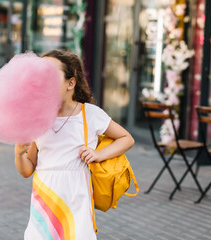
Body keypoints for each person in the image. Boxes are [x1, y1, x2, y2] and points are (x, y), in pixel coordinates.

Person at [14, 49, 135, 240]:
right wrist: (19, 153)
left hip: (77, 195)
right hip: (45, 198)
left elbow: (126, 138)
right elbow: (27, 170)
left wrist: (98, 155)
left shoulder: (90, 114)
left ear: (71, 83)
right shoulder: (38, 118)